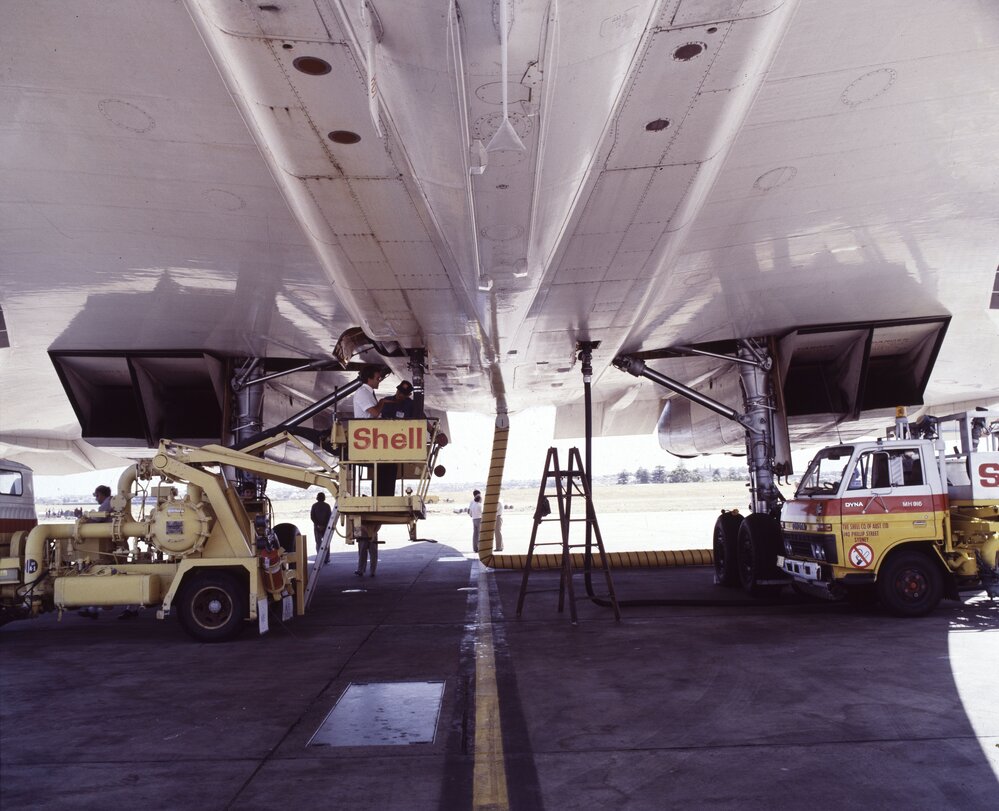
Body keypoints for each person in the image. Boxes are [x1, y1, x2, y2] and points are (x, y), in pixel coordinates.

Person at [351, 364, 396, 496]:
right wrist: (382, 402)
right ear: (369, 379)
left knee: (388, 466)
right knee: (385, 466)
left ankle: (384, 496)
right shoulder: (362, 393)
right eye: (377, 378)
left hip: (373, 437)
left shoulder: (369, 393)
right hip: (366, 437)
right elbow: (375, 413)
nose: (379, 380)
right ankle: (382, 496)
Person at [78, 485, 114, 620]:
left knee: (98, 574)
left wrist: (81, 517)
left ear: (102, 494)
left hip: (108, 546)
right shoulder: (111, 502)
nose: (96, 498)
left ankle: (94, 608)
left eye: (96, 495)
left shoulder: (107, 504)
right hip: (111, 544)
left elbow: (96, 520)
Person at [310, 492, 332, 561]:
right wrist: (324, 525)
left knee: (318, 543)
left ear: (317, 498)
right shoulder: (327, 506)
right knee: (326, 543)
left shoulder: (314, 506)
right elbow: (329, 517)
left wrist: (318, 525)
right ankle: (326, 558)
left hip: (317, 527)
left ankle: (319, 558)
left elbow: (312, 517)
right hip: (326, 527)